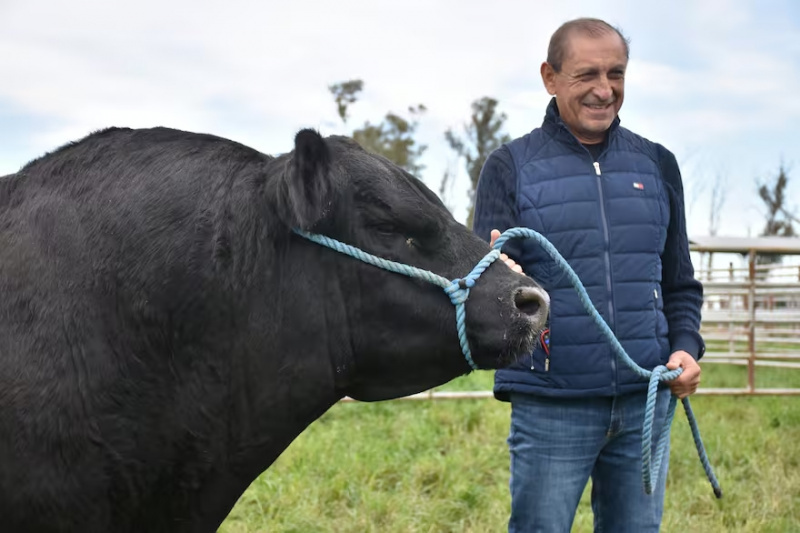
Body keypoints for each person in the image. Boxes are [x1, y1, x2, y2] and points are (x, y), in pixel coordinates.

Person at [473, 17, 705, 532]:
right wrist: (495, 273)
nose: (605, 90)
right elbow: (485, 290)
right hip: (552, 404)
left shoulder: (658, 165)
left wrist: (687, 345)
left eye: (616, 73)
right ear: (550, 78)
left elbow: (679, 283)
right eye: (587, 75)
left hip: (647, 398)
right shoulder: (509, 166)